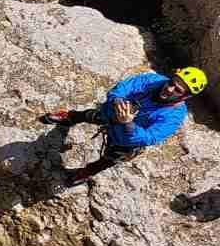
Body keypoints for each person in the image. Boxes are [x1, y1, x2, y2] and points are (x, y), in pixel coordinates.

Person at [44, 66, 206, 185]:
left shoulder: (174, 116)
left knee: (111, 158)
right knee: (89, 115)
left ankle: (87, 172)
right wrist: (117, 102)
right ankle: (69, 118)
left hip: (127, 139)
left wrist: (128, 124)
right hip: (112, 113)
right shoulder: (154, 81)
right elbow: (123, 88)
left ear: (186, 97)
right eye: (172, 82)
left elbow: (151, 137)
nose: (169, 88)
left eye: (177, 90)